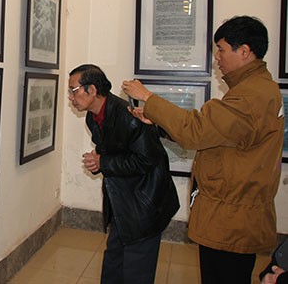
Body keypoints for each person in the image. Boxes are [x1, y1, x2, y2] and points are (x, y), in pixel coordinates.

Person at [122, 15, 284, 284]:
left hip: (232, 220)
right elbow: (214, 134)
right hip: (231, 215)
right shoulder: (256, 89)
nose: (217, 58)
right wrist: (160, 122)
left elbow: (195, 131)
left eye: (221, 49)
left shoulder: (250, 96)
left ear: (244, 51)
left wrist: (149, 98)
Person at [68, 64, 179, 284]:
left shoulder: (129, 115)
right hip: (122, 201)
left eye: (74, 90)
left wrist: (104, 162)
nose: (71, 97)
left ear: (91, 89)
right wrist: (99, 162)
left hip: (145, 203)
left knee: (136, 270)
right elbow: (116, 152)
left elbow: (147, 160)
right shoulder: (93, 117)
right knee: (113, 264)